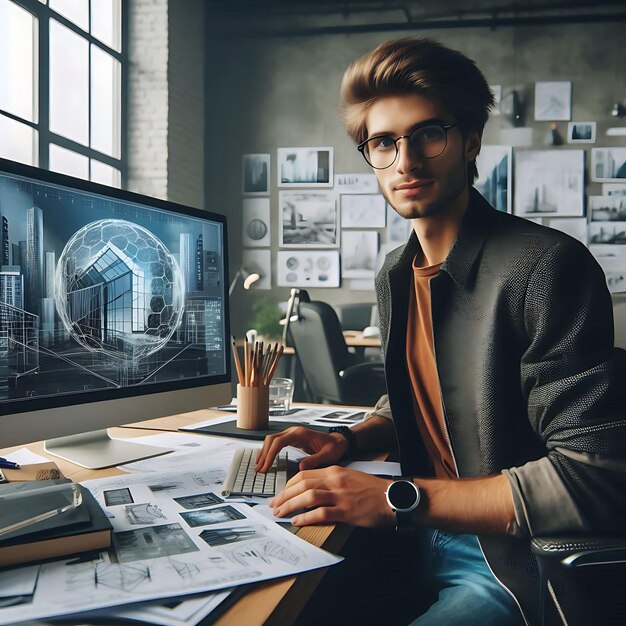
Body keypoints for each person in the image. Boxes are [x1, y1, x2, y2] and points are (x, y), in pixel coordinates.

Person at [255, 38, 626, 625]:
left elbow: (597, 475)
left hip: (508, 560)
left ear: (471, 141)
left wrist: (395, 498)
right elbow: (433, 389)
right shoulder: (395, 272)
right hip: (414, 539)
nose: (406, 160)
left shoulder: (545, 266)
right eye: (383, 142)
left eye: (429, 133)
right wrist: (354, 439)